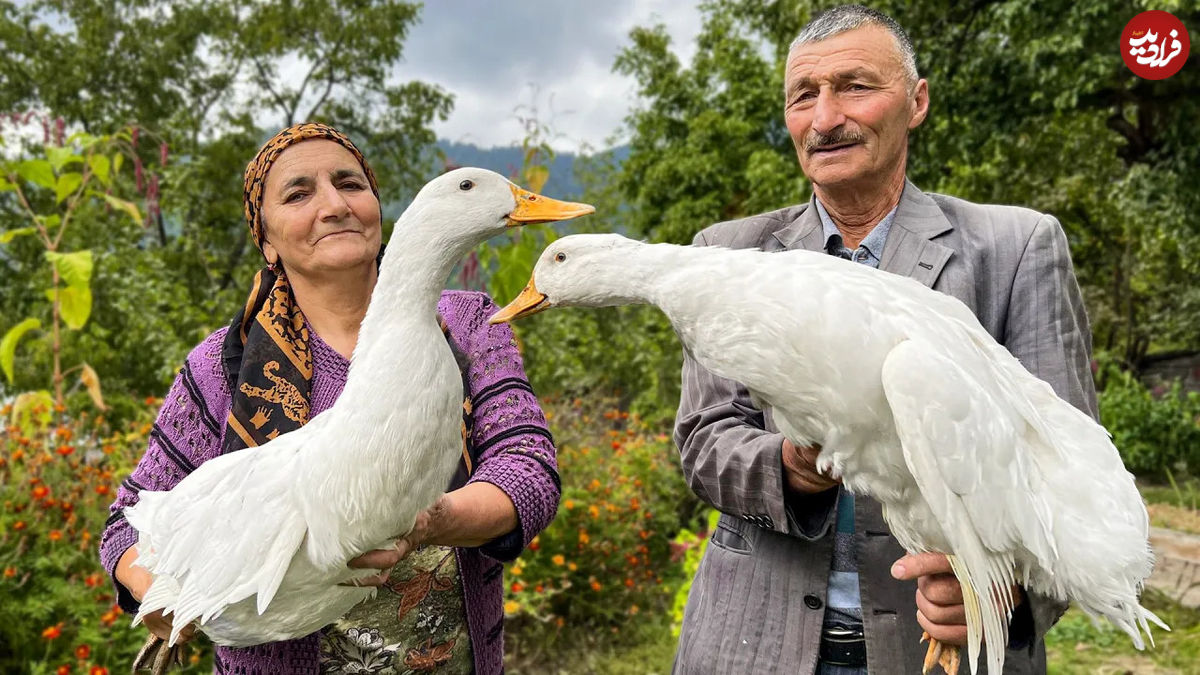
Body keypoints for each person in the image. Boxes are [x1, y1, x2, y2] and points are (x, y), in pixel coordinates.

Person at [672, 5, 1095, 674]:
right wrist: (790, 463)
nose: (825, 117)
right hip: (753, 644)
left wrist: (1007, 595)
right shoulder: (726, 253)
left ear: (917, 101)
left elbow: (1068, 467)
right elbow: (702, 439)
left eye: (855, 86)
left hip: (941, 649)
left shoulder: (1015, 249)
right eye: (803, 96)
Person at [99, 123, 560, 675]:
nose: (334, 204)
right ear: (266, 239)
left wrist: (429, 522)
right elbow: (127, 524)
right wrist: (166, 594)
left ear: (378, 207)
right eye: (299, 193)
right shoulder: (222, 364)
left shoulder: (467, 324)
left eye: (350, 183)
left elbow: (529, 471)